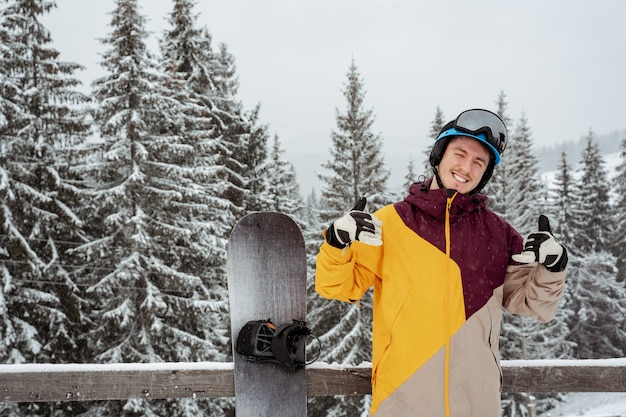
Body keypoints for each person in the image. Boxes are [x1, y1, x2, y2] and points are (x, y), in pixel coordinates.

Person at [315, 108, 568, 417]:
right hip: (402, 401)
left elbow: (534, 305)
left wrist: (552, 267)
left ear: (485, 174)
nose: (466, 167)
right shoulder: (391, 224)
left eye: (479, 162)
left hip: (476, 405)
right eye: (459, 154)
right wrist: (337, 244)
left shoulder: (498, 234)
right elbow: (336, 288)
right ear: (439, 155)